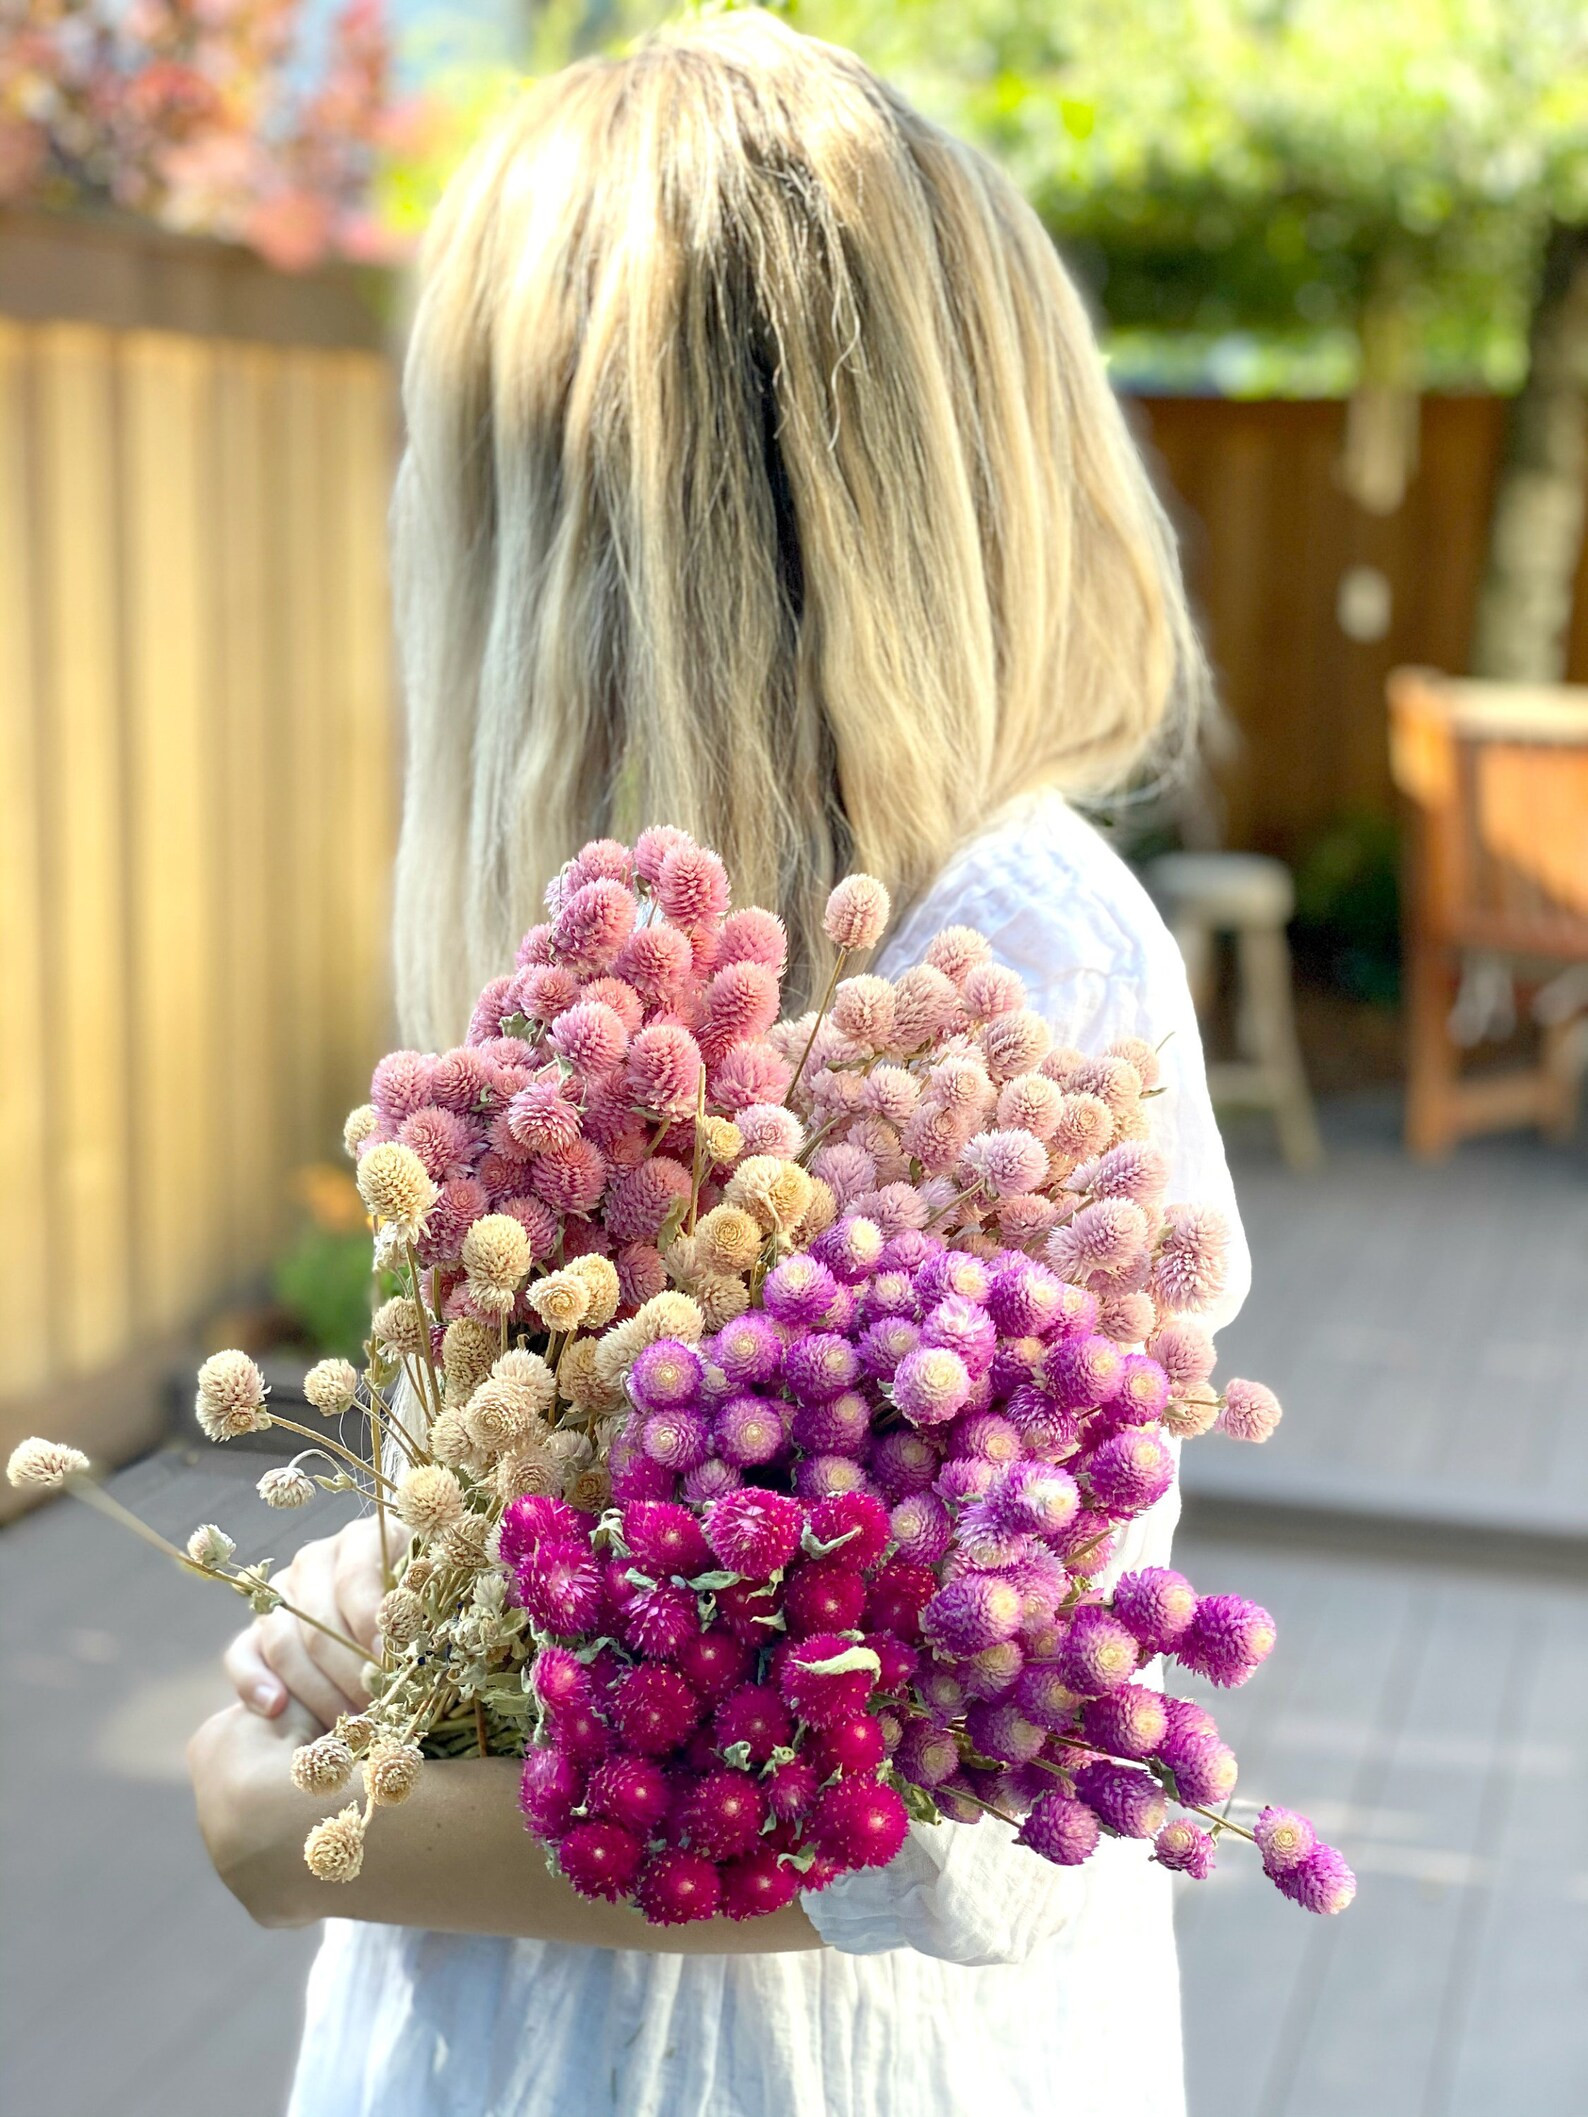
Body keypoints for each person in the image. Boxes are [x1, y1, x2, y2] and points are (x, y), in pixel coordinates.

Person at [186, 14, 1251, 2114]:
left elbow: (960, 1831)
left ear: (603, 539)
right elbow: (577, 1560)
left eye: (455, 451)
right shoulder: (685, 965)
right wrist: (364, 1605)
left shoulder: (988, 978)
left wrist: (281, 1819)